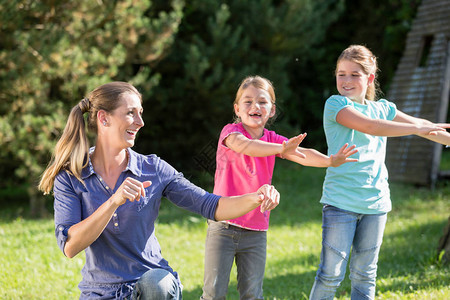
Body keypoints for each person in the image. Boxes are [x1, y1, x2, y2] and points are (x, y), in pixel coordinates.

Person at [38, 81, 281, 300]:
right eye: (131, 113)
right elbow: (70, 247)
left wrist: (256, 197)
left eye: (140, 113)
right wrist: (114, 201)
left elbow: (210, 205)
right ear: (104, 118)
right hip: (99, 291)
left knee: (156, 285)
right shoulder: (71, 177)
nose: (140, 122)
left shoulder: (152, 169)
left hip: (151, 285)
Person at [309, 45, 450, 300]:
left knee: (366, 274)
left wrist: (432, 130)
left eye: (355, 74)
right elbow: (372, 127)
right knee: (330, 275)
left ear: (370, 78)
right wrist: (419, 126)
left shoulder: (384, 108)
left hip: (376, 204)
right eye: (341, 74)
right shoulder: (335, 105)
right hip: (340, 203)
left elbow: (428, 129)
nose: (346, 80)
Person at [201, 75, 358, 300]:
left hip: (256, 230)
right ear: (237, 109)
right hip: (223, 227)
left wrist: (330, 160)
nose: (255, 106)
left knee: (253, 294)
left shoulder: (275, 140)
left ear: (272, 110)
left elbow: (303, 154)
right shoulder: (230, 132)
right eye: (247, 101)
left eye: (262, 102)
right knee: (214, 294)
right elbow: (246, 146)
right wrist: (281, 148)